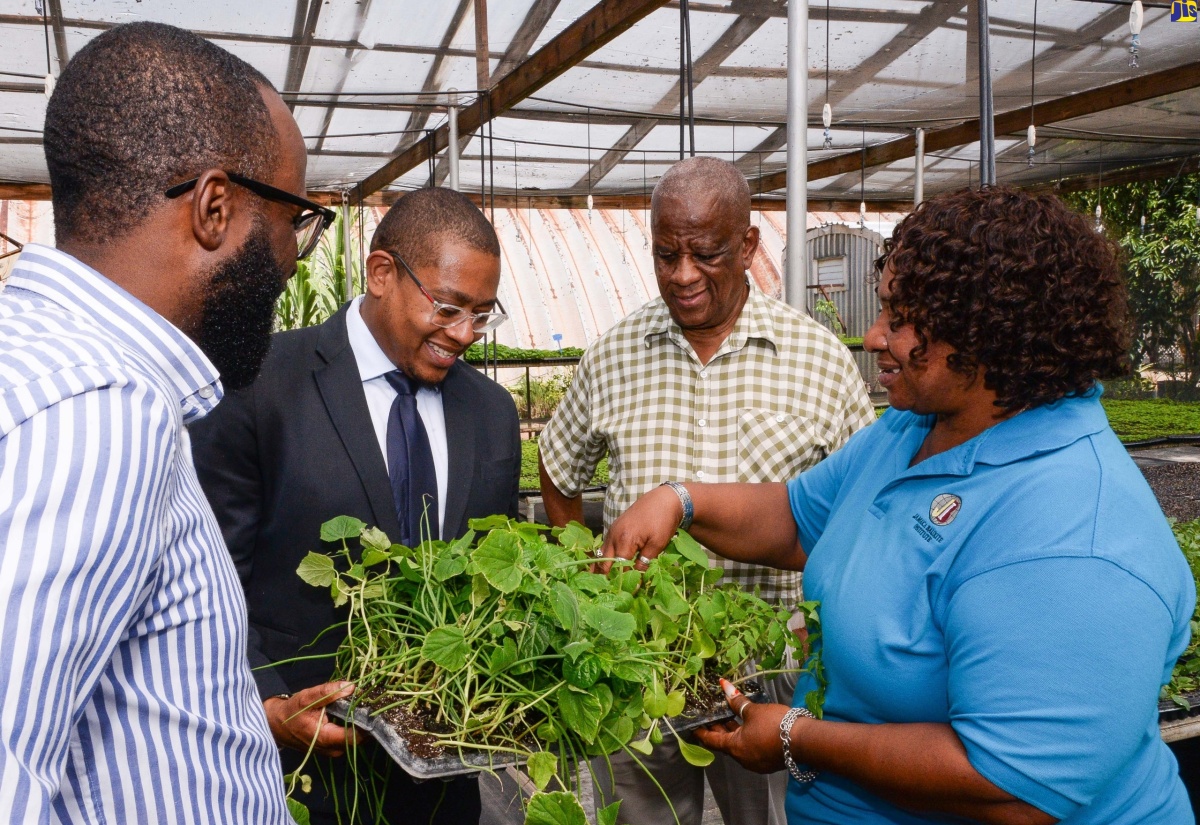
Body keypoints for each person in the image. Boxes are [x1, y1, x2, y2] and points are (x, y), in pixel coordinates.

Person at [600, 186, 1196, 824]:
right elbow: (799, 518)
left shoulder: (1075, 532)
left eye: (899, 317)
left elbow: (1011, 788)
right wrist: (681, 500)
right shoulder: (914, 429)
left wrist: (793, 737)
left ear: (986, 332)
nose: (873, 336)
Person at [0, 22, 329, 824]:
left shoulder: (53, 362)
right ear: (215, 207)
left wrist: (247, 722)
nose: (294, 255)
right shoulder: (96, 412)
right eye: (293, 217)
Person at [538, 155, 875, 825]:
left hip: (773, 667)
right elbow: (558, 464)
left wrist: (825, 626)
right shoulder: (615, 352)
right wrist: (582, 574)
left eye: (706, 252)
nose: (683, 274)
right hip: (639, 667)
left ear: (748, 245)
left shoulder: (818, 359)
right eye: (667, 254)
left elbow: (864, 515)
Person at [191, 186, 521, 825]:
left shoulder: (493, 414)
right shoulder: (259, 384)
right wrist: (264, 702)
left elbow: (491, 579)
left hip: (442, 783)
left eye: (482, 315)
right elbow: (208, 578)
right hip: (295, 770)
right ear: (381, 273)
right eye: (449, 307)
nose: (464, 335)